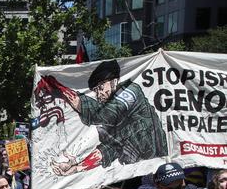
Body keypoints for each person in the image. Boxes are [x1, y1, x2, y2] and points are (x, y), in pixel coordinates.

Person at [35, 60, 168, 176]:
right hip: (137, 172)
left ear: (114, 81)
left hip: (158, 167)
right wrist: (76, 167)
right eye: (95, 90)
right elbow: (109, 149)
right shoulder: (112, 122)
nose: (99, 94)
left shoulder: (130, 89)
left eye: (100, 87)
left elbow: (106, 115)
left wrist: (59, 87)